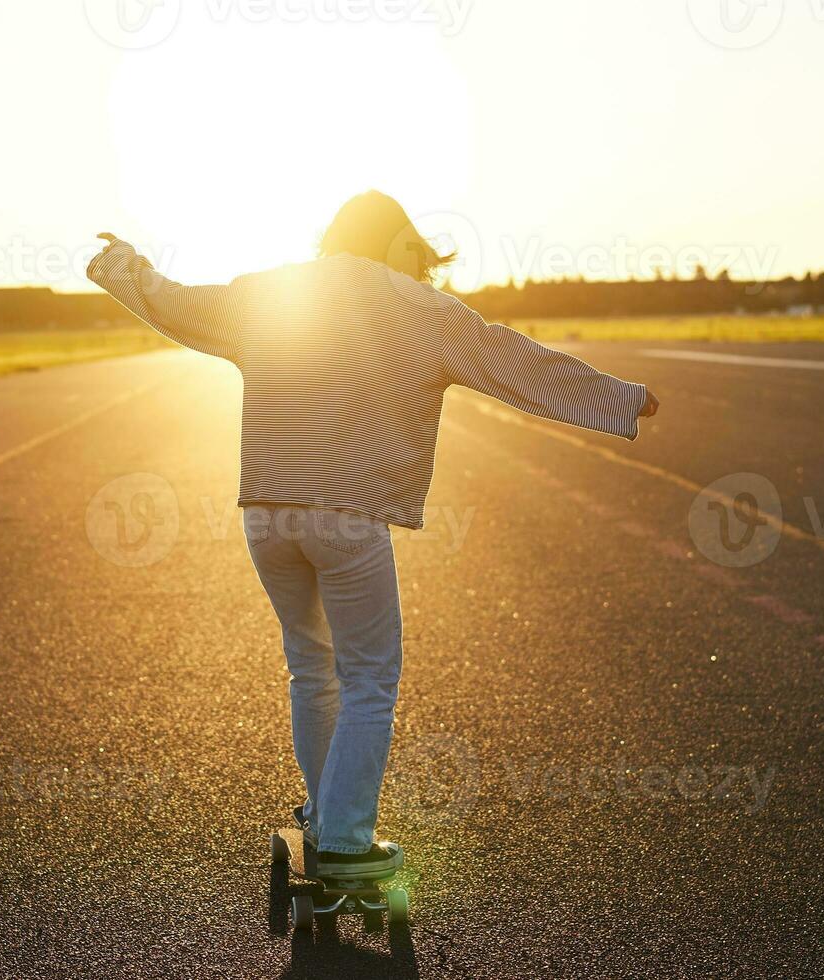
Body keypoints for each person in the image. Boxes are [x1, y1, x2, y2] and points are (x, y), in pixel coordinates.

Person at [86, 191, 657, 879]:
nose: (421, 268)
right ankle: (346, 841)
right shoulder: (422, 310)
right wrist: (619, 397)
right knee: (369, 681)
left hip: (266, 513)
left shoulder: (273, 293)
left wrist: (121, 263)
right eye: (415, 252)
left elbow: (176, 304)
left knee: (310, 668)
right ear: (393, 239)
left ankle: (325, 818)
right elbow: (516, 363)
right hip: (346, 517)